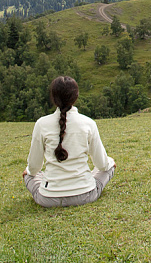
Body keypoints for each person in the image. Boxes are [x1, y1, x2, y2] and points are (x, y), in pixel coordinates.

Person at [23, 76, 116, 207]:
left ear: (53, 97)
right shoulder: (88, 123)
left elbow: (34, 166)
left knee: (29, 174)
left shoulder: (41, 124)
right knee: (109, 165)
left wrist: (29, 172)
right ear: (76, 96)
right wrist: (110, 162)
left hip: (49, 198)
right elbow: (102, 165)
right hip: (85, 194)